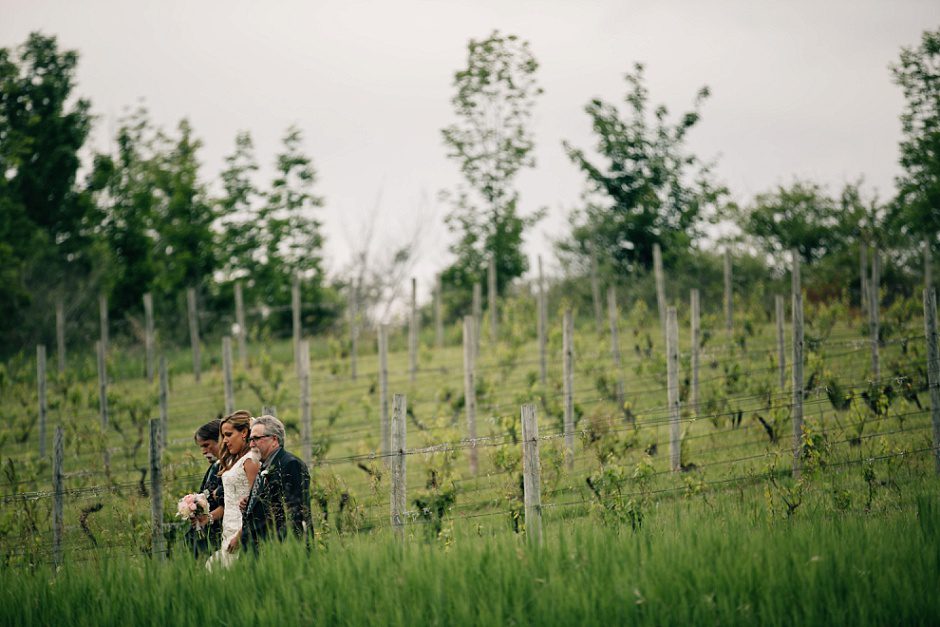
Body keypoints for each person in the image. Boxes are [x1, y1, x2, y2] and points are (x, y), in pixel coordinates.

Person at [239, 415, 313, 554]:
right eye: (250, 439)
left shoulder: (290, 464)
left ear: (274, 439)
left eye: (256, 438)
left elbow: (296, 513)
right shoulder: (265, 466)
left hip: (279, 550)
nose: (251, 444)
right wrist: (251, 503)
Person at [206, 410, 259, 570]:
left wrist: (241, 535)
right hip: (228, 526)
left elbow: (256, 500)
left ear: (244, 432)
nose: (225, 440)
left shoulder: (251, 460)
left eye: (229, 434)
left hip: (241, 528)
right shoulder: (232, 460)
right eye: (223, 436)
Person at [185, 419, 224, 558]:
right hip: (208, 533)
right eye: (201, 447)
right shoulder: (213, 468)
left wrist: (209, 517)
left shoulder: (232, 467)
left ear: (220, 440)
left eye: (207, 445)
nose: (203, 451)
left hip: (222, 533)